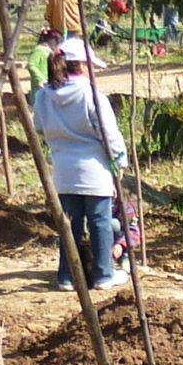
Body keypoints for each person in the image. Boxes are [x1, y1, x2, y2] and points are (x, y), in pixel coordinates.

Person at [31, 38, 127, 291]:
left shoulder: (43, 95)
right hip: (94, 169)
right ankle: (104, 274)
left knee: (69, 223)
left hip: (62, 170)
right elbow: (109, 134)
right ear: (82, 66)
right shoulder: (92, 95)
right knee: (100, 222)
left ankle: (66, 276)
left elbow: (39, 127)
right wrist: (120, 160)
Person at [26, 27, 60, 95]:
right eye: (56, 41)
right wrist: (40, 79)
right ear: (51, 40)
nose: (57, 44)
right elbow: (31, 64)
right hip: (41, 86)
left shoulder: (49, 51)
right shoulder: (39, 50)